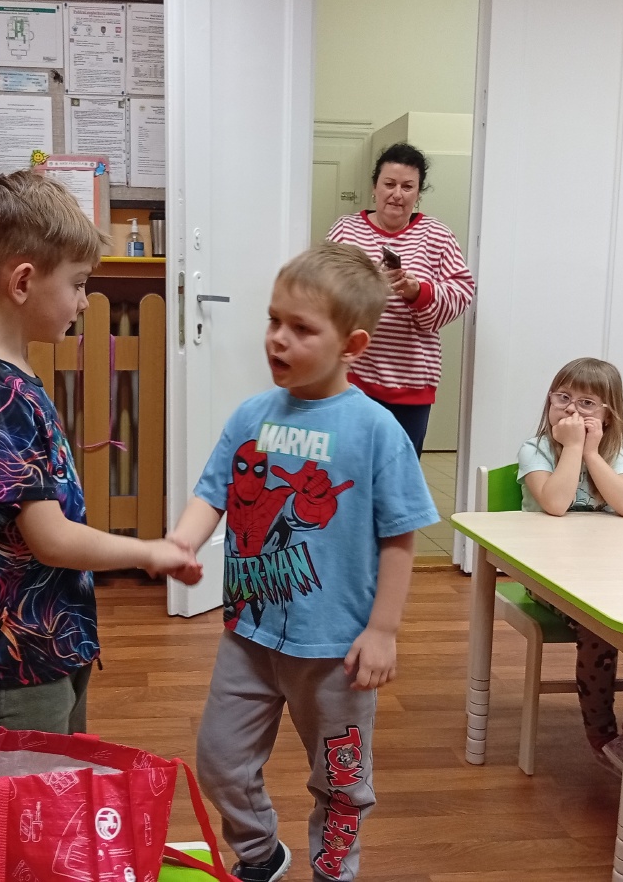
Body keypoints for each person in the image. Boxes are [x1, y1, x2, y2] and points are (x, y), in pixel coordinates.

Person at [167, 242, 438, 882]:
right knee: (220, 761)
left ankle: (332, 872)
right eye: (273, 320)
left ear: (353, 345)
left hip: (337, 652)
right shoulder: (250, 416)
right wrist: (182, 542)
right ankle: (261, 852)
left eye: (301, 328)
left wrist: (383, 631)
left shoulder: (377, 431)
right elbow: (213, 492)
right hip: (249, 635)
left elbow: (401, 538)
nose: (278, 338)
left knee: (341, 784)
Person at [0, 171, 201, 734]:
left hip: (51, 637)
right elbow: (52, 539)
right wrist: (148, 552)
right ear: (23, 282)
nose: (84, 301)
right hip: (19, 658)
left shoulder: (9, 376)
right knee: (32, 786)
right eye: (79, 283)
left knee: (62, 771)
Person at [517, 357, 623, 773]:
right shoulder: (535, 451)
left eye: (586, 403)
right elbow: (555, 503)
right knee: (598, 629)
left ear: (608, 416)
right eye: (563, 398)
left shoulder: (614, 455)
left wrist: (591, 453)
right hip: (549, 579)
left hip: (604, 577)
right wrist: (571, 449)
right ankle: (601, 734)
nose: (571, 409)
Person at [326, 142, 475, 454]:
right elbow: (322, 286)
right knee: (347, 466)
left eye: (408, 187)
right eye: (389, 184)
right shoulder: (346, 230)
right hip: (351, 377)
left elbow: (463, 291)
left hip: (411, 384)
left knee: (398, 470)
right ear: (374, 188)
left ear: (418, 193)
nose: (397, 194)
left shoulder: (437, 235)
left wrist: (418, 292)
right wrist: (368, 287)